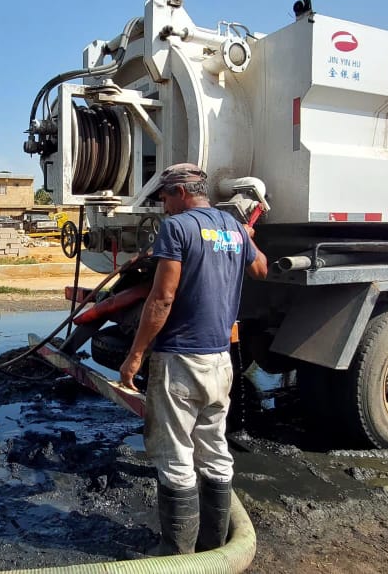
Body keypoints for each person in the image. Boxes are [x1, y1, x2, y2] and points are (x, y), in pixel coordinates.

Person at [119, 163, 268, 555]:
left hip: (180, 362)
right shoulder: (233, 227)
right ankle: (213, 547)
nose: (164, 205)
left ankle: (178, 556)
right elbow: (261, 267)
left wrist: (135, 357)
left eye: (165, 196)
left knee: (175, 458)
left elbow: (162, 298)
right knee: (215, 451)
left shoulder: (178, 228)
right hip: (220, 361)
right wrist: (245, 237)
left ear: (182, 192)